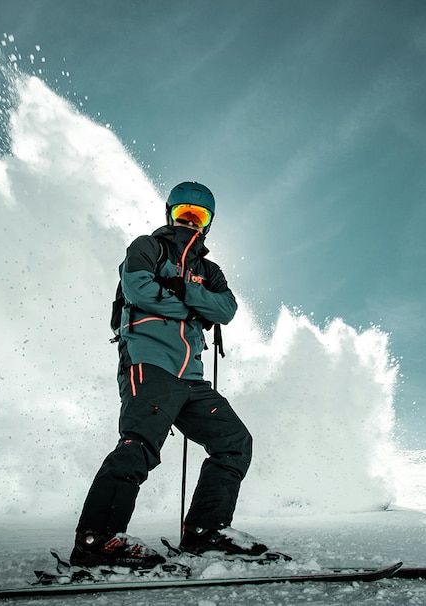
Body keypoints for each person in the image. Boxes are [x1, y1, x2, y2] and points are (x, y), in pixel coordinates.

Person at [71, 181, 267, 568]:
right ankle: (98, 540)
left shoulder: (209, 269)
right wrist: (194, 306)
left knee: (234, 441)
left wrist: (183, 295)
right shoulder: (147, 247)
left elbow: (225, 308)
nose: (190, 221)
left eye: (199, 216)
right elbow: (140, 290)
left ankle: (206, 532)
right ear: (170, 214)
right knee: (140, 444)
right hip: (149, 362)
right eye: (184, 214)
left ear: (209, 223)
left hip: (191, 378)